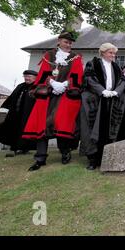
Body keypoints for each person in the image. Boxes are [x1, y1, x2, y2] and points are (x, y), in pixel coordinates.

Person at [22, 31, 84, 171]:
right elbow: (43, 73)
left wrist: (65, 85)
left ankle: (64, 152)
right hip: (48, 95)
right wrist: (52, 83)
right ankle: (40, 158)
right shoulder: (49, 56)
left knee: (61, 124)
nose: (68, 45)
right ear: (59, 41)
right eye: (65, 42)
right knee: (42, 125)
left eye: (70, 43)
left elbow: (77, 75)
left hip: (66, 95)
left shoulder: (75, 58)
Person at [80, 43, 125, 170]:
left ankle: (105, 157)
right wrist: (102, 90)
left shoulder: (117, 66)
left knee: (109, 130)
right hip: (96, 101)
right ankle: (92, 159)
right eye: (110, 53)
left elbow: (123, 81)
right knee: (93, 129)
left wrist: (117, 91)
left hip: (111, 102)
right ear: (103, 53)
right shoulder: (93, 64)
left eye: (114, 53)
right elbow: (89, 79)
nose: (113, 55)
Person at [0, 70, 38, 157]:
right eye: (25, 76)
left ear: (35, 77)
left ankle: (23, 149)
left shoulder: (37, 87)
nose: (26, 78)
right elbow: (12, 97)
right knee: (13, 131)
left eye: (29, 76)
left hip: (28, 115)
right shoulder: (20, 86)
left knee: (26, 132)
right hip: (15, 114)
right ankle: (14, 148)